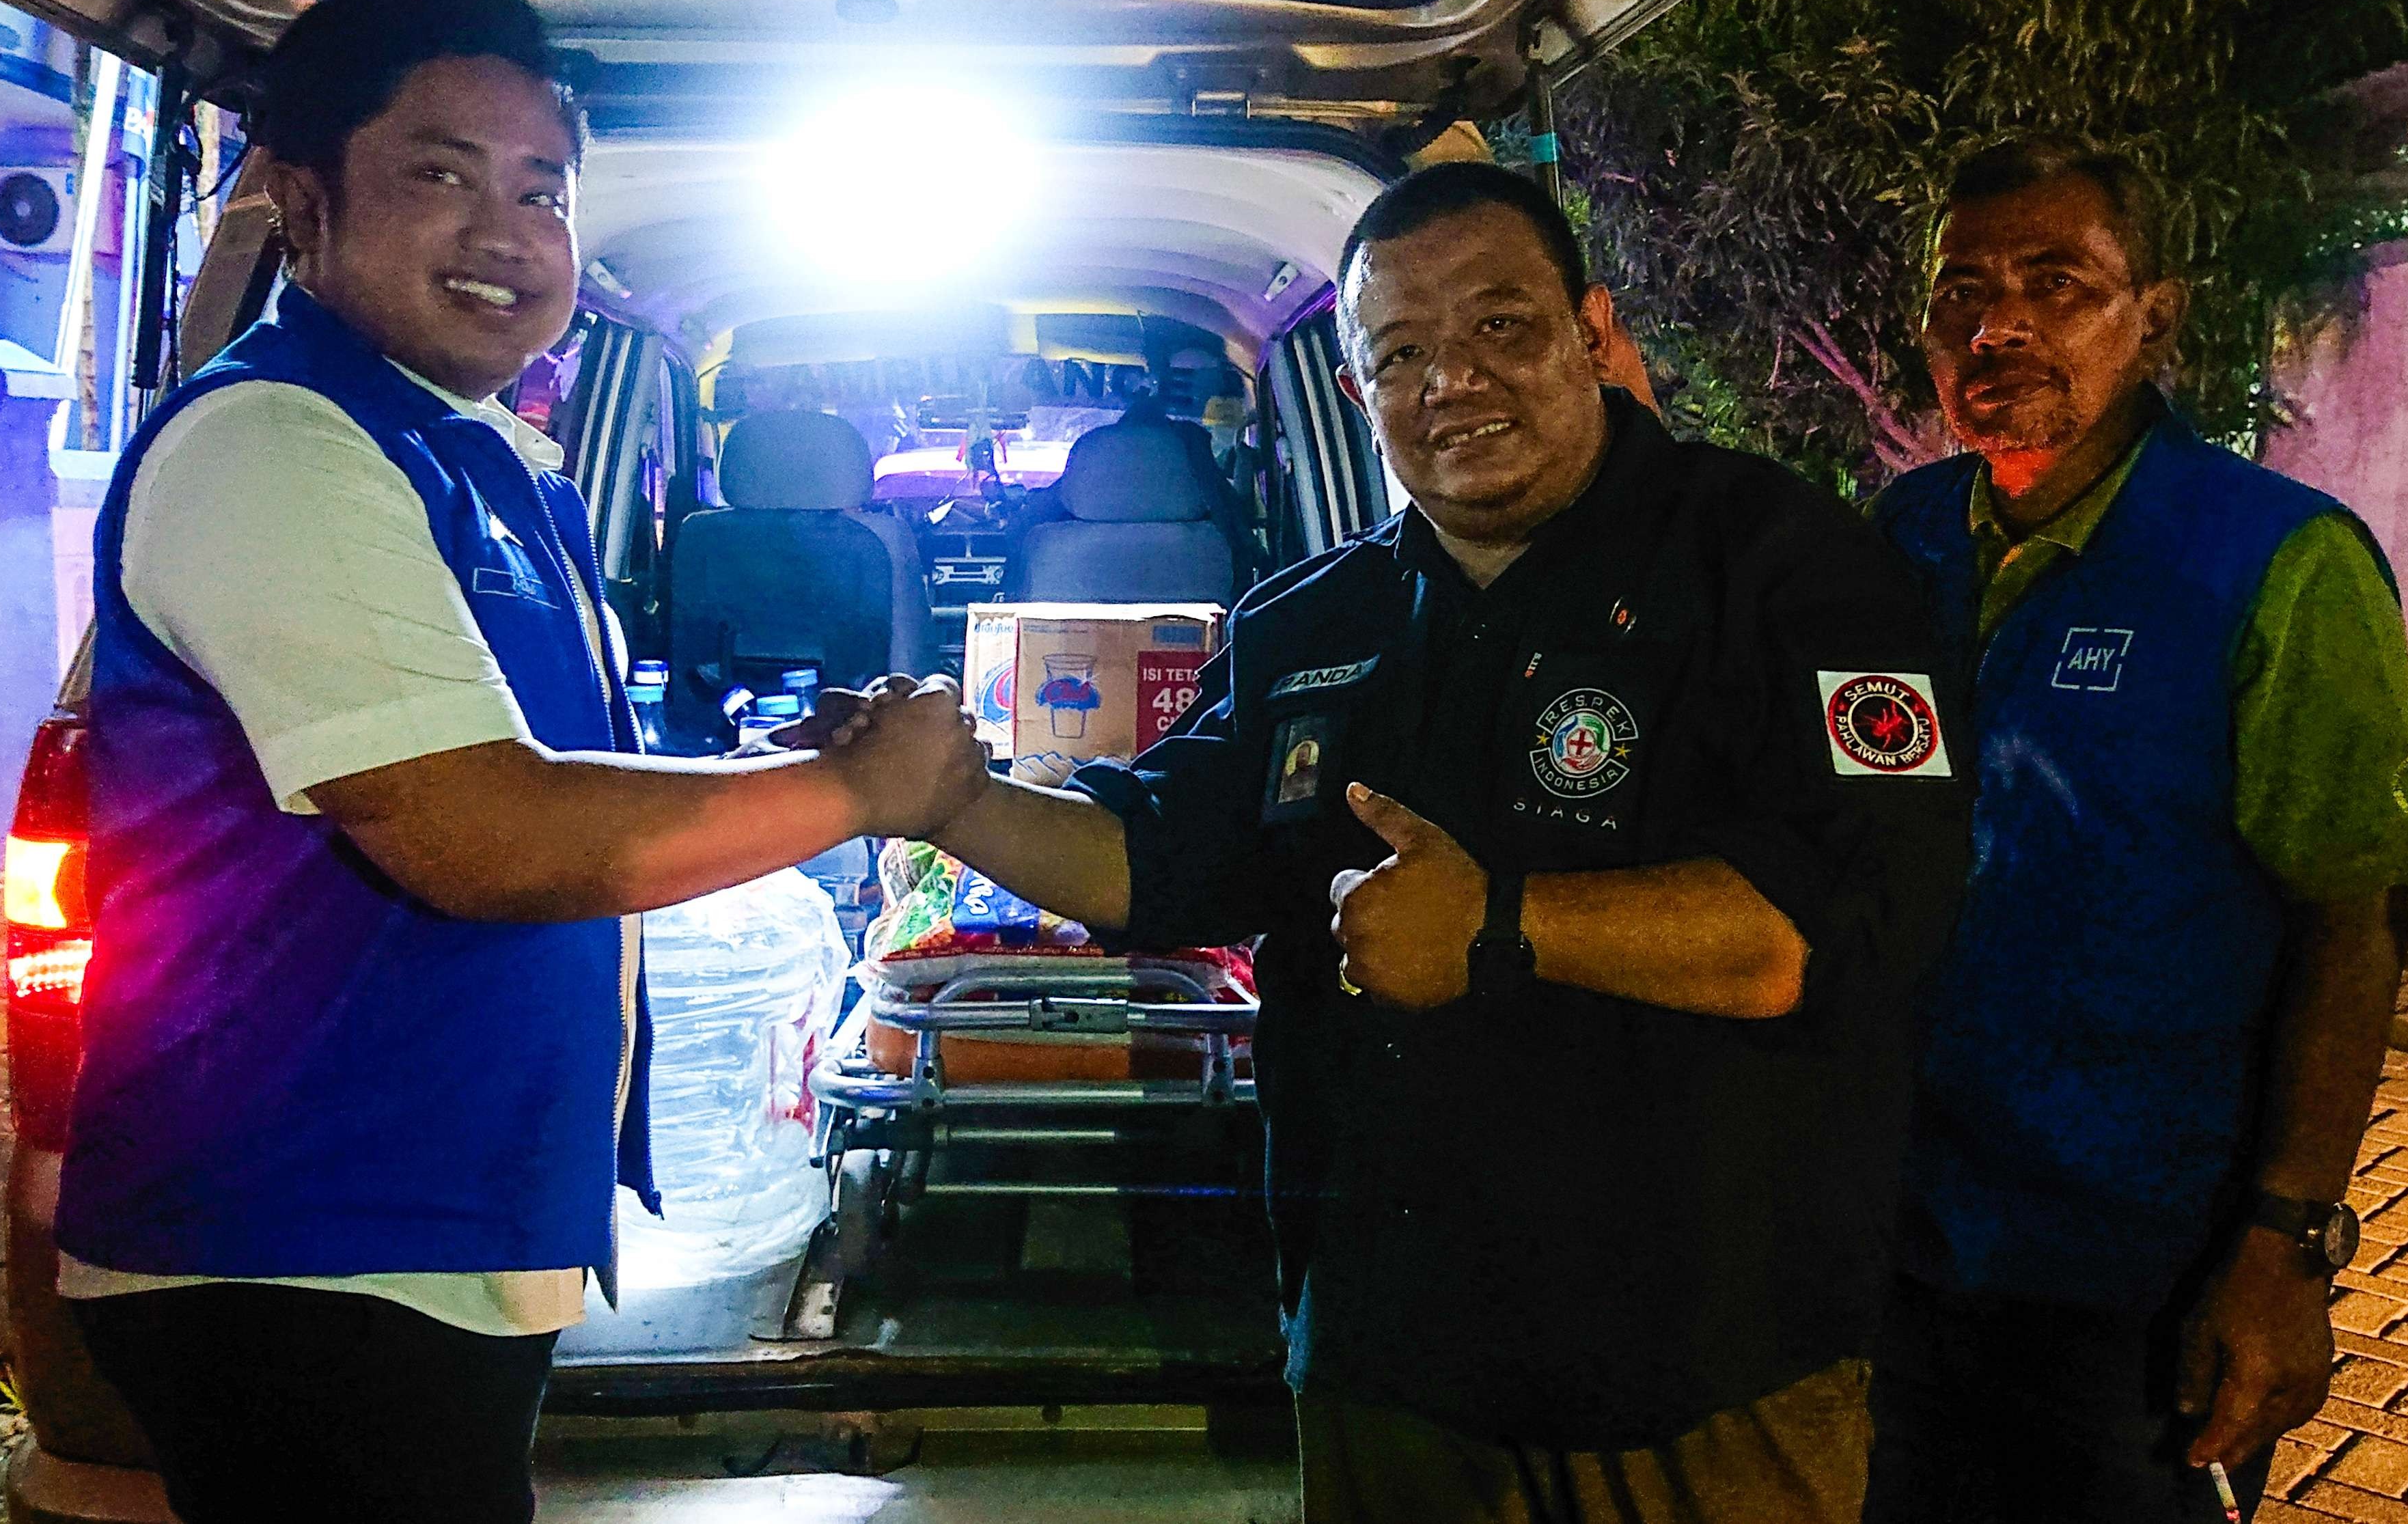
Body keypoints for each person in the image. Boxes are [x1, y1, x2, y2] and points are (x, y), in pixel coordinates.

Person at [804, 161, 1971, 1523]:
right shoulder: (1311, 621)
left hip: (1701, 1358)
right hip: (1388, 1353)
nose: (1451, 382)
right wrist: (952, 799)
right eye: (1401, 351)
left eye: (1499, 327)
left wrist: (1501, 925)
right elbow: (1161, 858)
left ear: (1590, 332)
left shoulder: (1778, 562)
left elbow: (1837, 923)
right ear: (1355, 394)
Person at [52, 0, 977, 1524]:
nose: (504, 232)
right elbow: (487, 829)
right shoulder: (278, 444)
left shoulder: (487, 461)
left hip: (419, 1223)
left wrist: (800, 772)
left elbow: (540, 768)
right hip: (304, 1241)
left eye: (539, 189)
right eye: (438, 173)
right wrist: (857, 793)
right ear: (296, 196)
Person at [1865, 137, 2408, 1523]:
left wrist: (2284, 1248)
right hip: (1895, 1234)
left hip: (2140, 1269)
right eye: (1962, 290)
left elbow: (2352, 918)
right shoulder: (1901, 539)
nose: (1995, 326)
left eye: (2054, 282)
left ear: (2151, 313)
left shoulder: (2273, 564)